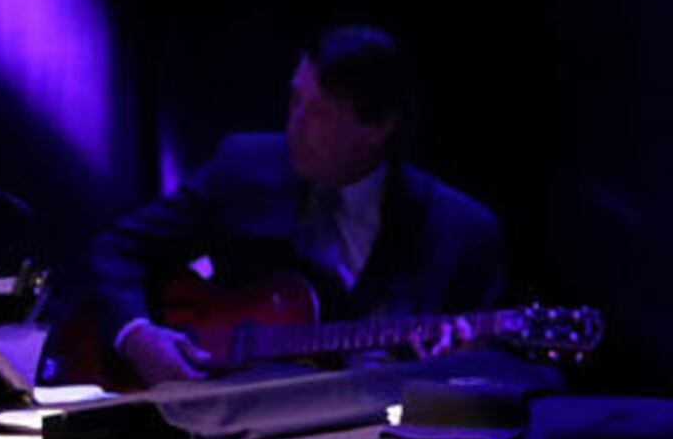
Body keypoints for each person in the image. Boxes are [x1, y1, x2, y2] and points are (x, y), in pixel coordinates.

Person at [74, 23, 504, 387]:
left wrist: (457, 363)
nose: (293, 125)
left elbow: (482, 385)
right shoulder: (244, 168)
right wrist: (135, 334)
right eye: (295, 99)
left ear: (378, 127)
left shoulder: (459, 231)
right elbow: (116, 249)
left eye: (318, 113)